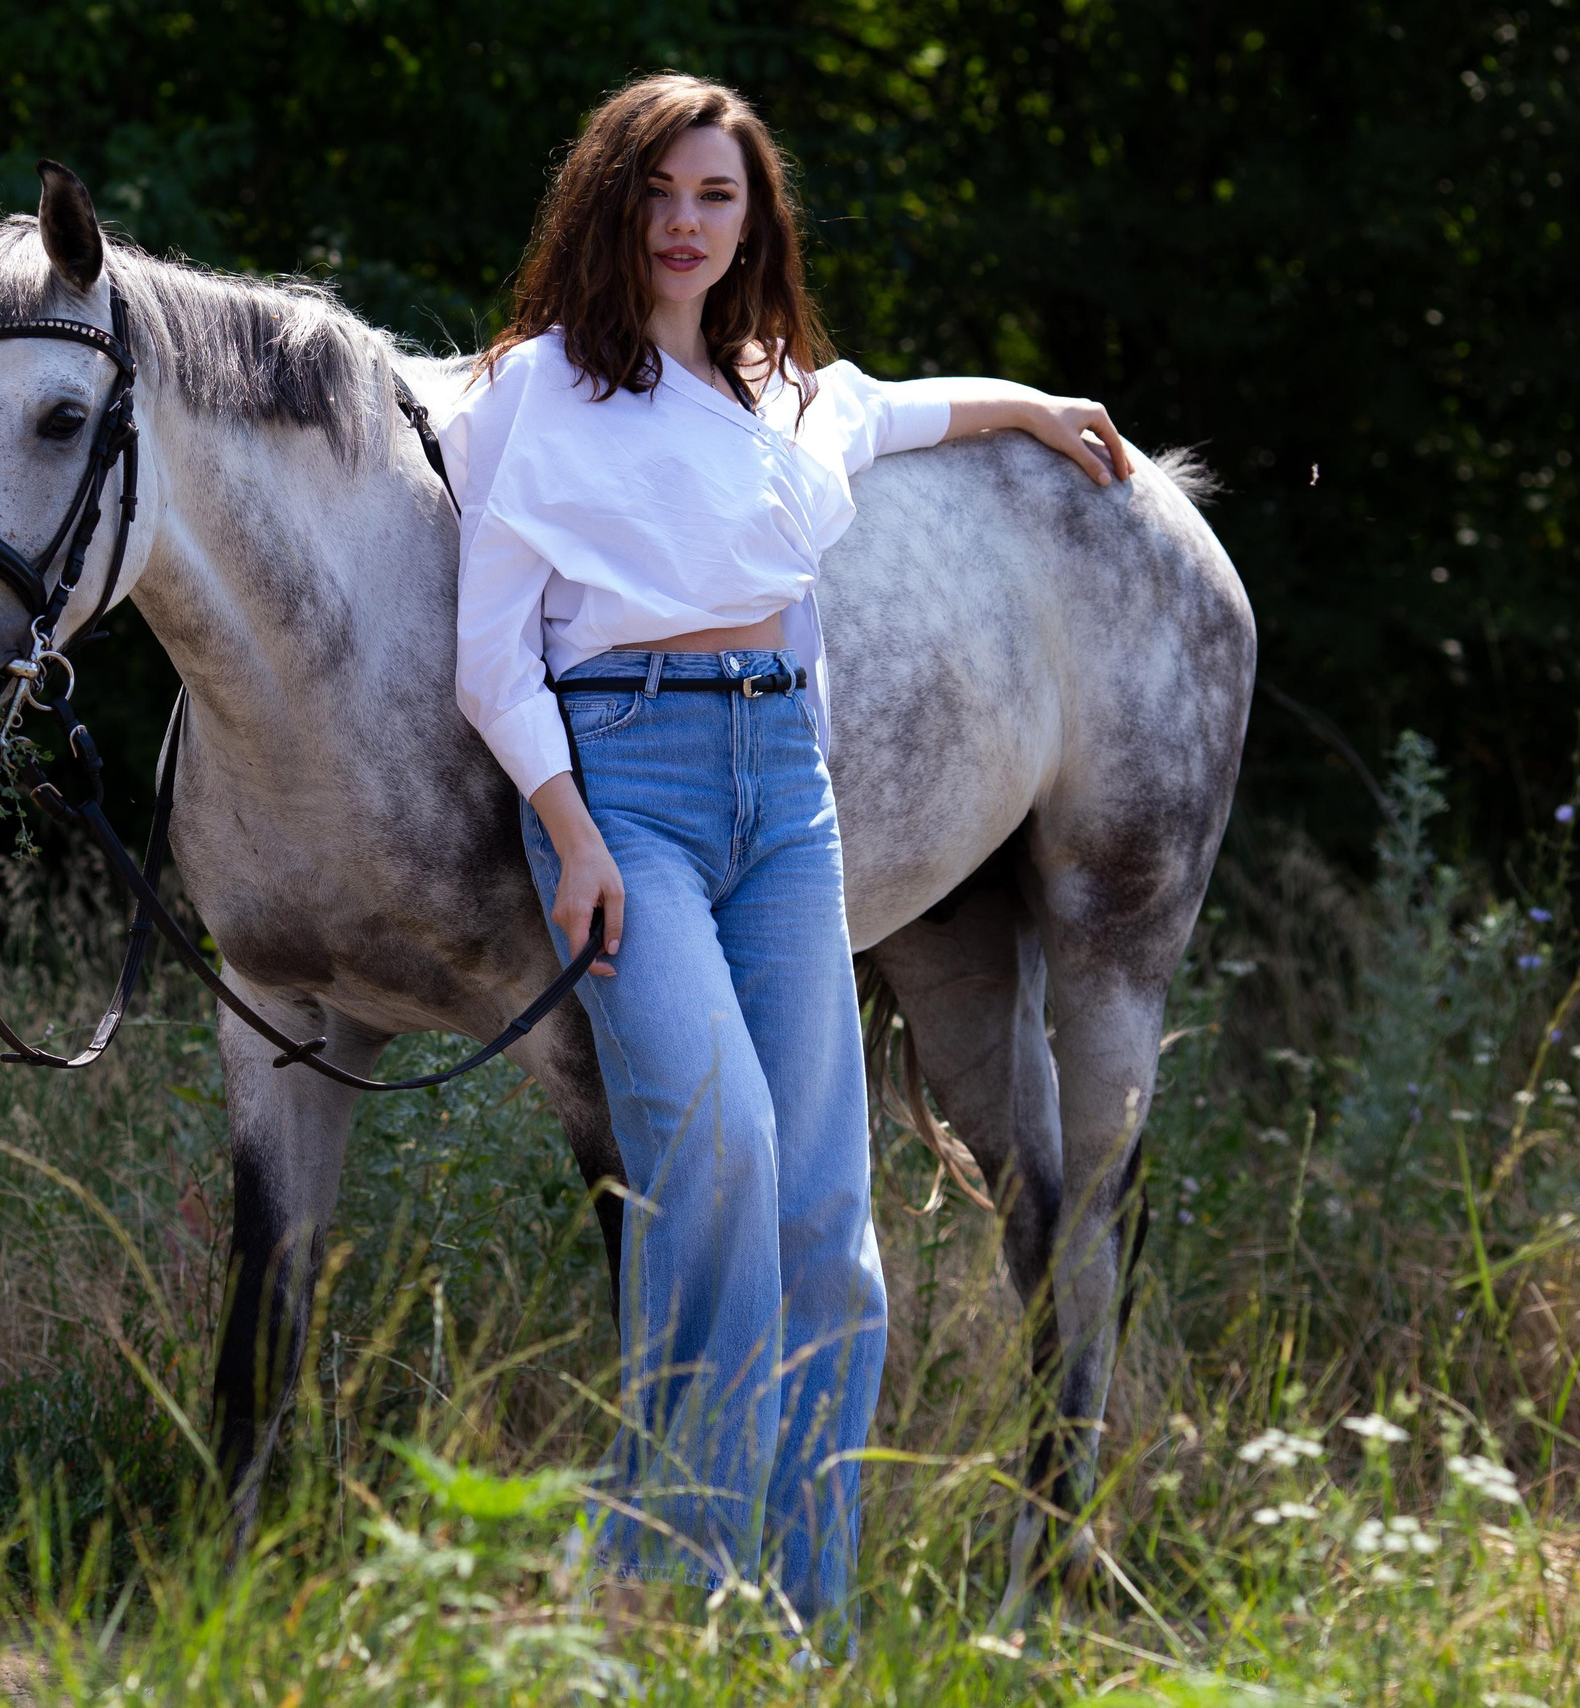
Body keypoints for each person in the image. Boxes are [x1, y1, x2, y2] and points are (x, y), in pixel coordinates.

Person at [445, 72, 1131, 1640]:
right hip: (624, 789)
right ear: (610, 203)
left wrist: (1035, 409)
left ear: (754, 221)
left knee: (830, 1220)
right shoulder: (533, 394)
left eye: (718, 196)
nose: (685, 225)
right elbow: (492, 654)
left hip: (786, 793)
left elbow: (904, 411)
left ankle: (798, 1620)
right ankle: (667, 1578)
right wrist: (572, 835)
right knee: (723, 1147)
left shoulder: (778, 386)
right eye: (660, 193)